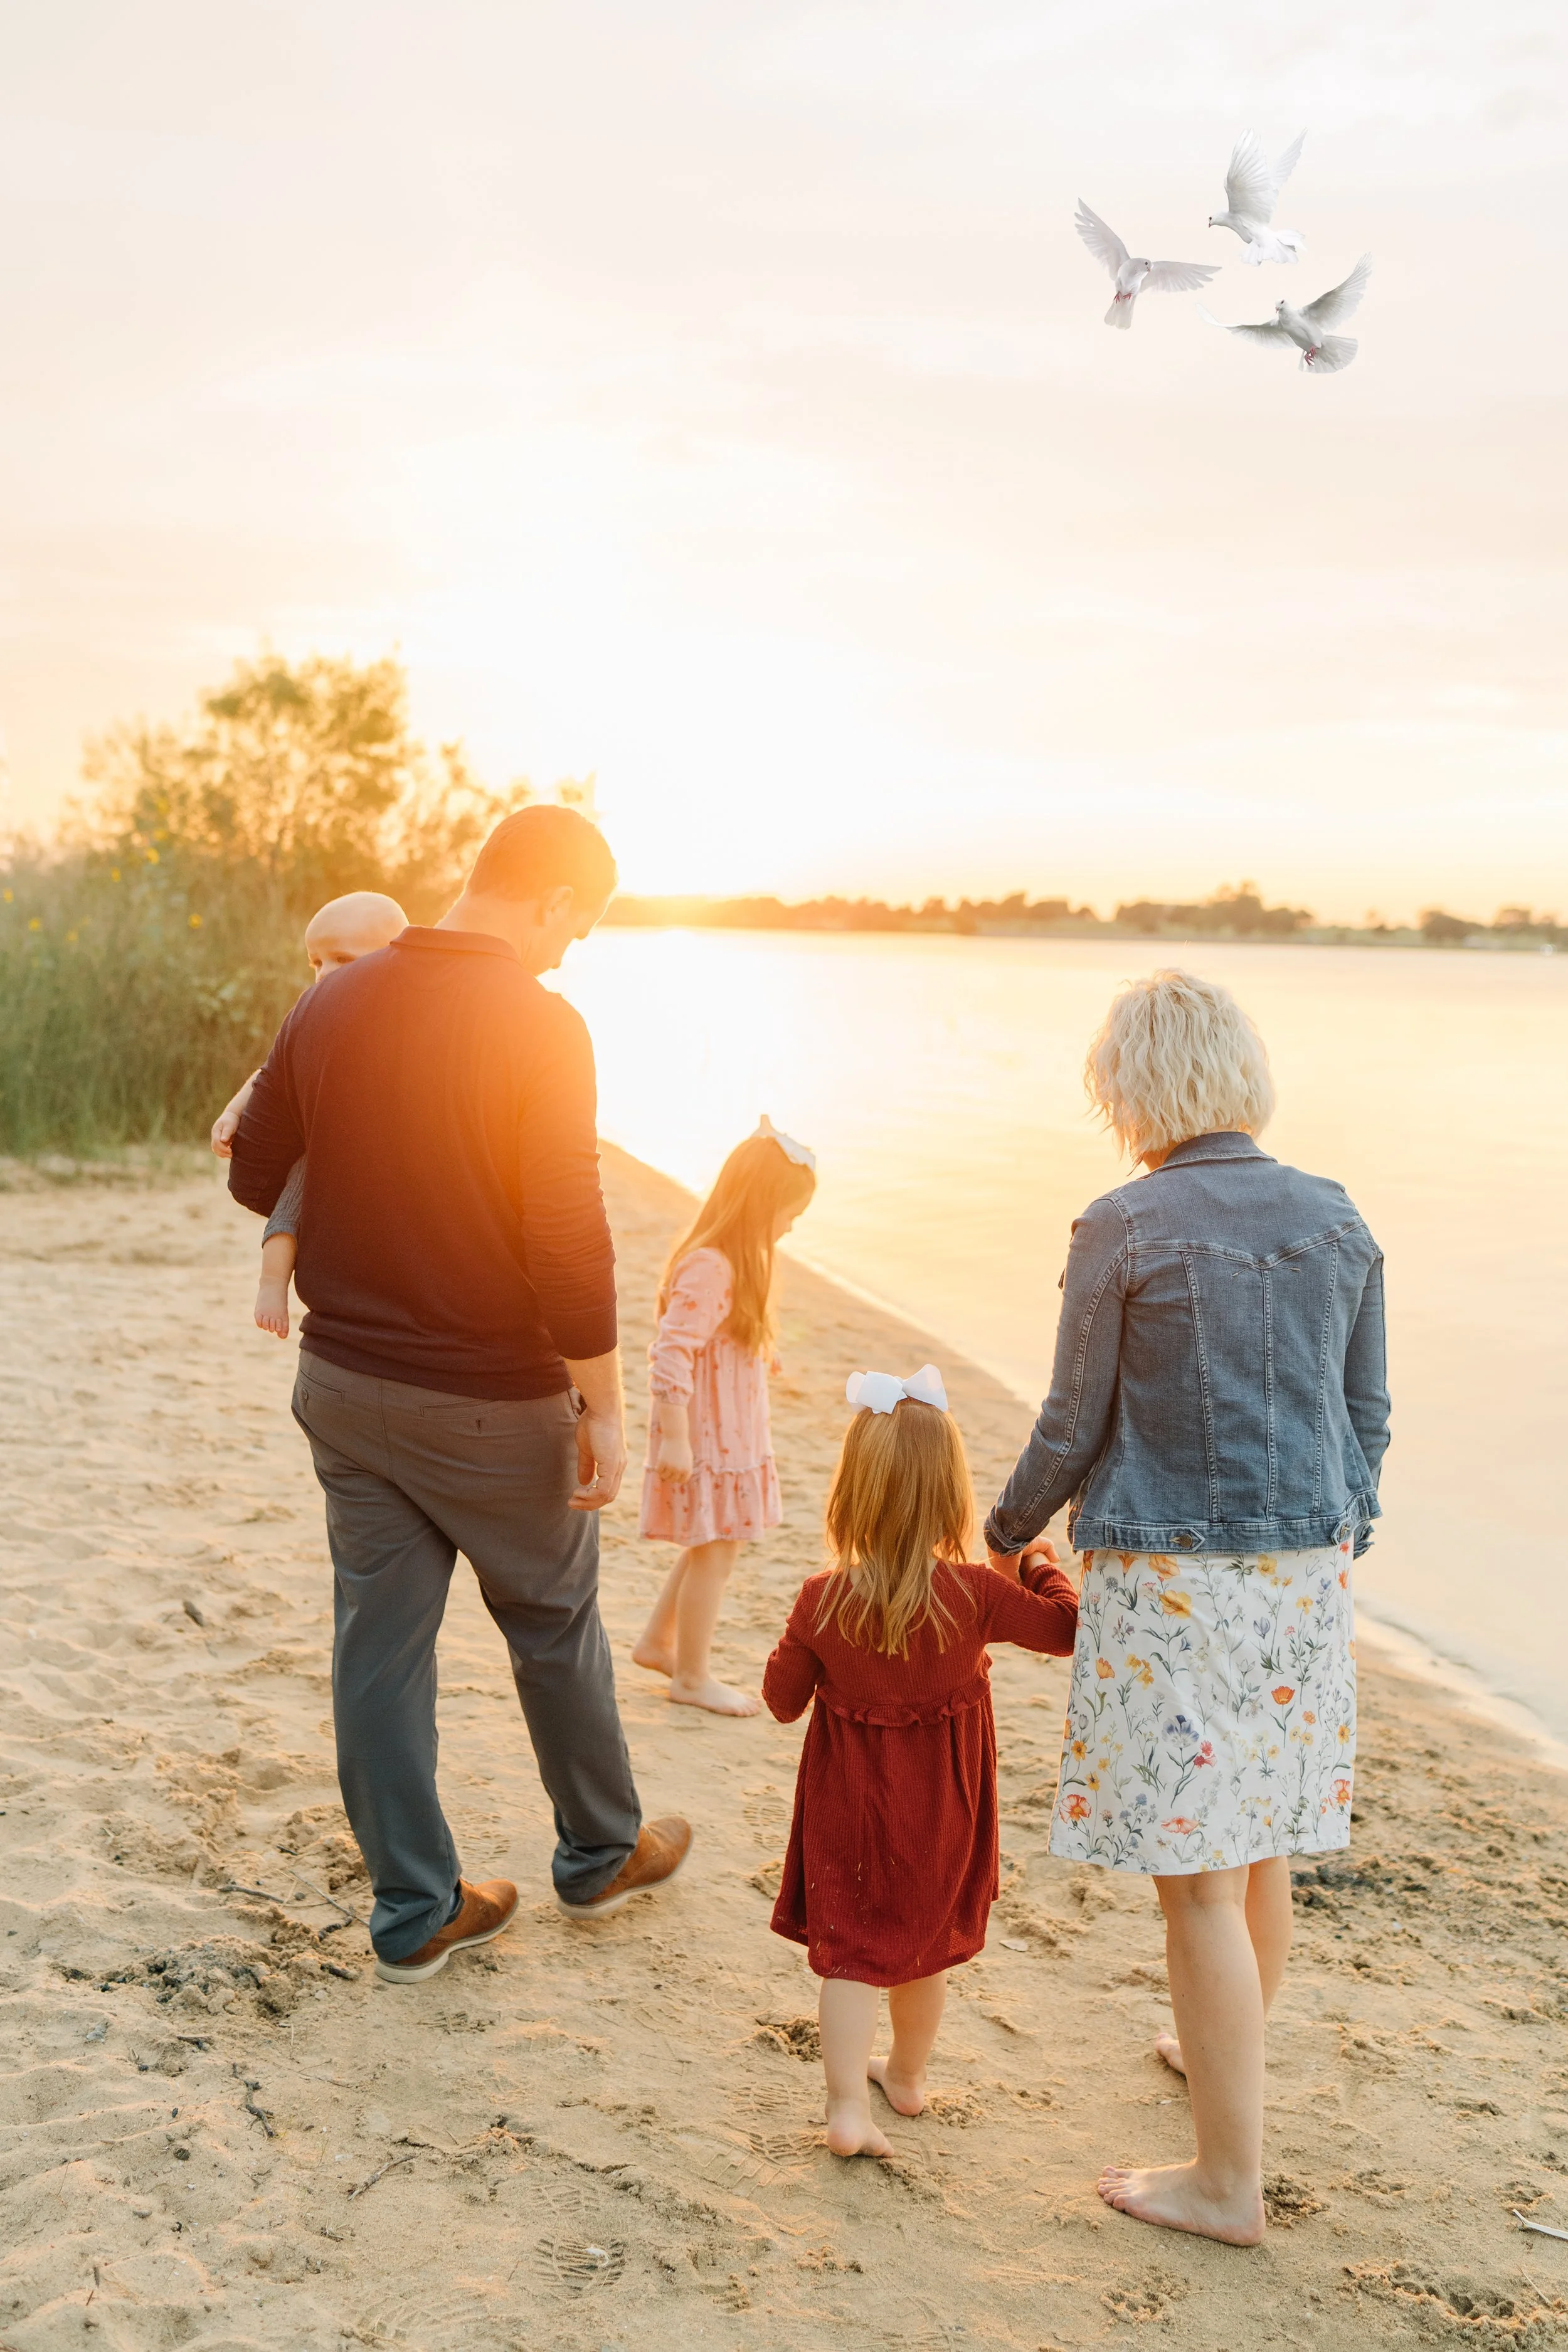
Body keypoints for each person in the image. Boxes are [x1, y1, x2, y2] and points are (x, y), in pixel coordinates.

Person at [226, 806, 691, 1985]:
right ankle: (597, 1853)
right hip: (489, 1401)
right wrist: (608, 1405)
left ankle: (416, 1911)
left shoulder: (333, 998)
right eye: (577, 923)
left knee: (377, 1651)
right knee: (552, 1623)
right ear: (549, 899)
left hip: (343, 1386)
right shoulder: (544, 1024)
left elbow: (251, 1169)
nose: (572, 948)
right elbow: (568, 1239)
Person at [985, 968, 1389, 2245]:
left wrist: (998, 1533)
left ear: (1129, 1088)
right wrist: (1339, 1527)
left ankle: (1224, 2183)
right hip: (1303, 1572)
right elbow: (1362, 1415)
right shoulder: (1335, 1218)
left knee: (1196, 1888)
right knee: (1255, 1836)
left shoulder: (1122, 1223)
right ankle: (1221, 2050)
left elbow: (1070, 1422)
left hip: (1173, 1584)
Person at [762, 1366, 1078, 2158]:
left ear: (851, 1493)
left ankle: (843, 2108)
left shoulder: (820, 1599)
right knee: (921, 1947)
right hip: (945, 1809)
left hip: (846, 1810)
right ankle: (904, 2078)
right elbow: (1070, 1629)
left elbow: (779, 1700)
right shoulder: (975, 1594)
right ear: (950, 1494)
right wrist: (1038, 1562)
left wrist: (804, 1645)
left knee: (851, 1953)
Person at [632, 1117, 817, 1716]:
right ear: (759, 1204)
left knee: (709, 1544)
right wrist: (676, 1440)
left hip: (730, 1432)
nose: (790, 1226)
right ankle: (691, 1676)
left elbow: (718, 1338)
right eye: (788, 1213)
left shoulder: (737, 1264)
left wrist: (764, 1353)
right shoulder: (713, 1265)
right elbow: (672, 1350)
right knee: (716, 1549)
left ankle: (659, 1643)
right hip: (707, 1438)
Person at [210, 890, 408, 1339]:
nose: (324, 974)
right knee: (292, 1204)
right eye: (316, 963)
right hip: (324, 1149)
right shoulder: (314, 1015)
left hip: (383, 1159)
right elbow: (270, 1072)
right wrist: (233, 1110)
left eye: (341, 958)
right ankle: (272, 1284)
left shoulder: (400, 1019)